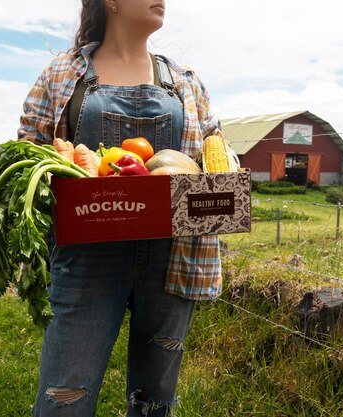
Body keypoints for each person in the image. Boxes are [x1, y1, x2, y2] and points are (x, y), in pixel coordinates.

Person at [17, 0, 223, 416]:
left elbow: (213, 160)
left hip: (173, 256)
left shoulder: (185, 81)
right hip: (86, 257)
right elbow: (27, 154)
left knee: (155, 399)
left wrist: (224, 180)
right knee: (65, 396)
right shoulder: (62, 74)